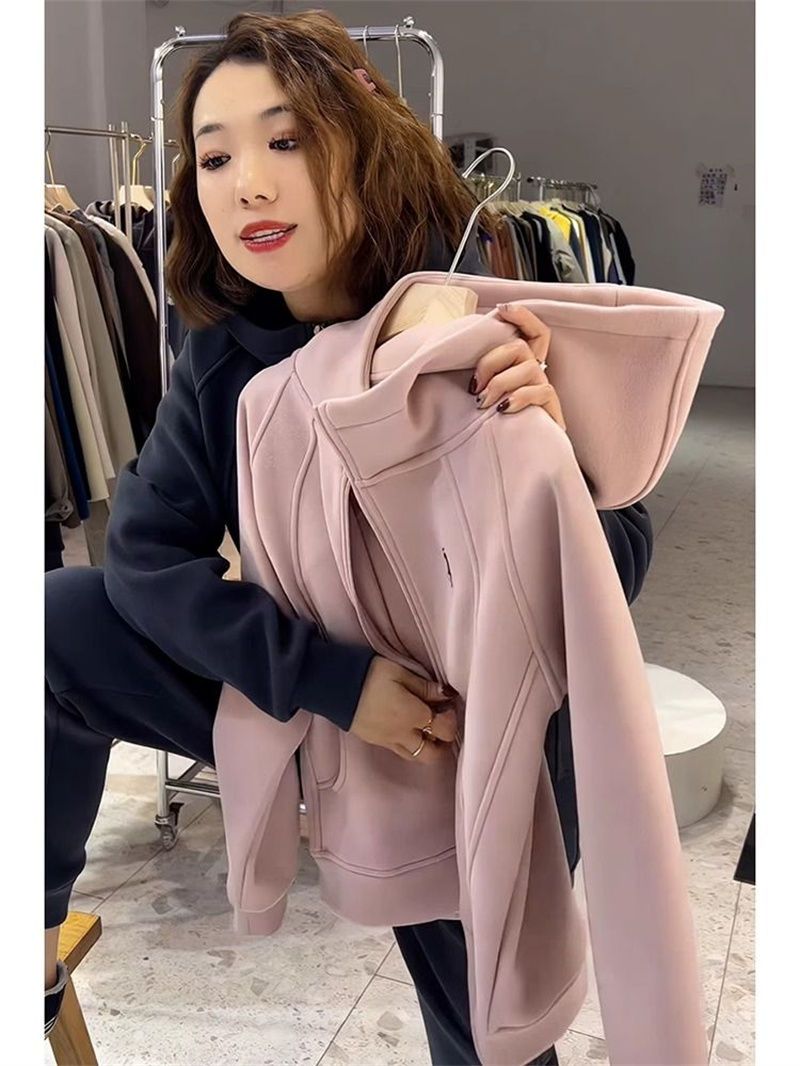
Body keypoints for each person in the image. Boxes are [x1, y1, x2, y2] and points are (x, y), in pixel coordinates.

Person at [45, 11, 653, 1064]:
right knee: (55, 624)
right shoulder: (223, 354)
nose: (248, 184)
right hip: (318, 697)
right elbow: (144, 557)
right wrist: (328, 679)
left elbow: (624, 563)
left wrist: (552, 454)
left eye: (286, 140)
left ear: (362, 144)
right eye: (215, 156)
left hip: (469, 726)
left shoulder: (482, 319)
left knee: (487, 1018)